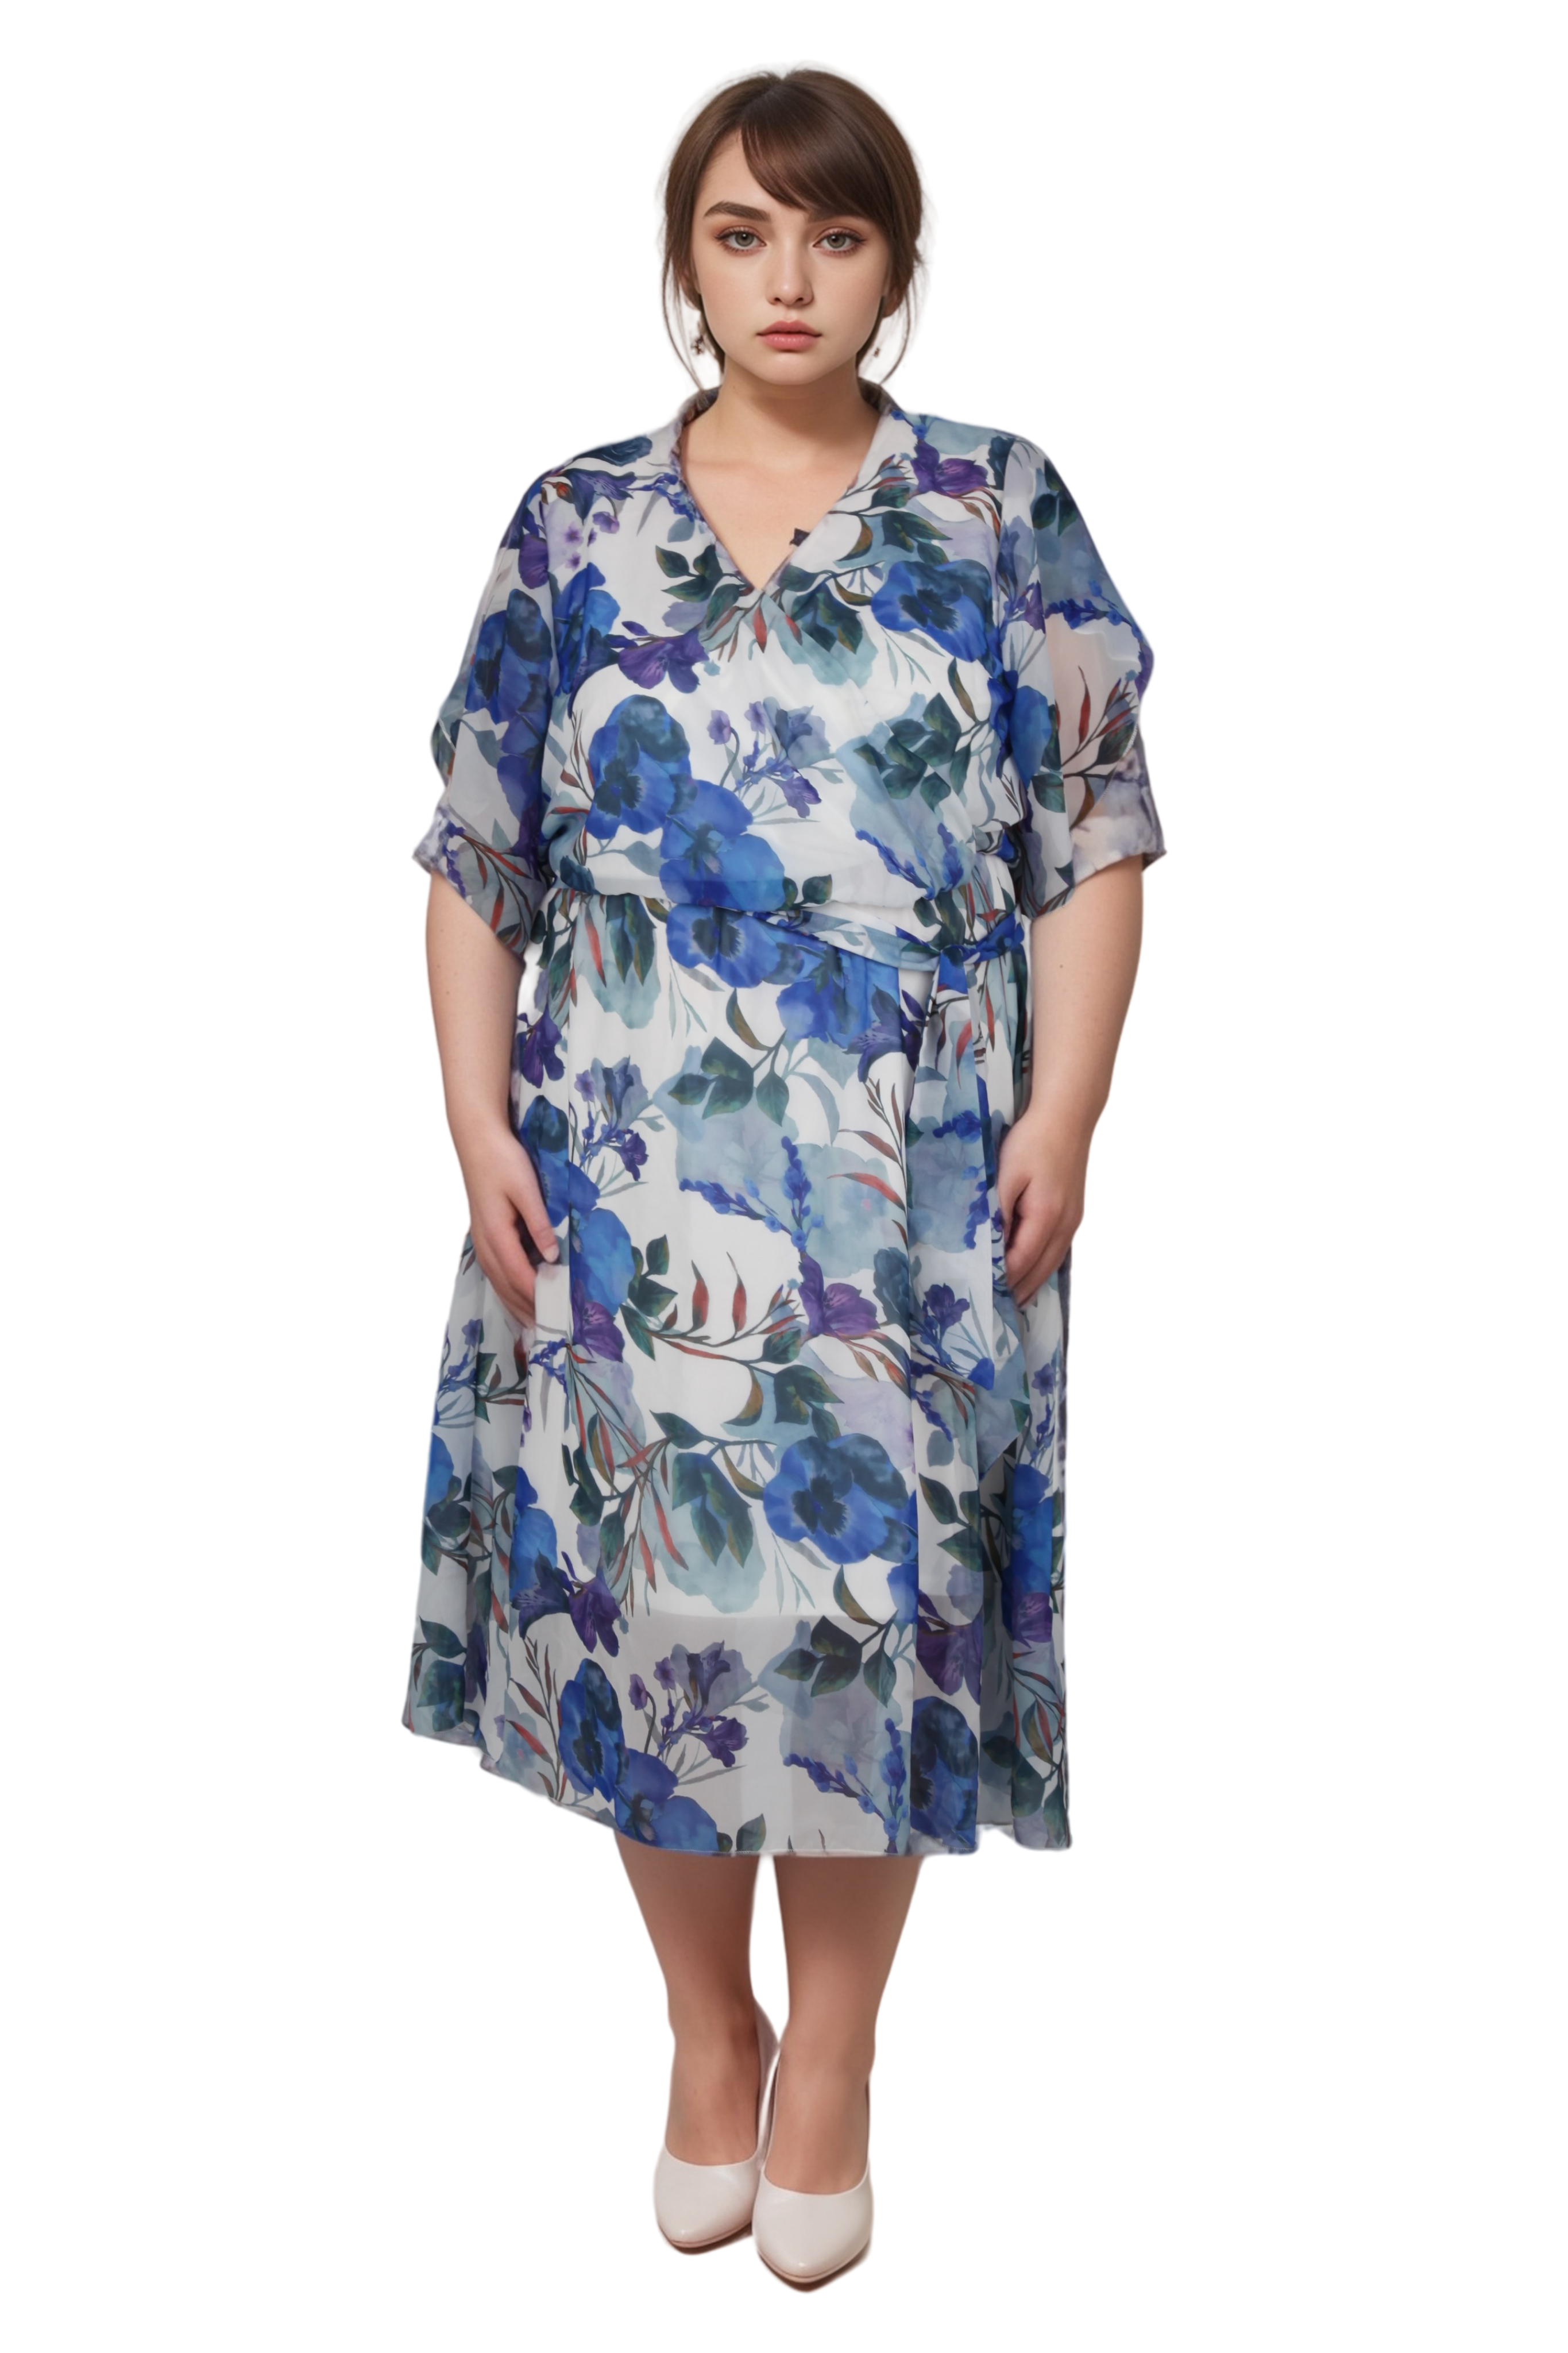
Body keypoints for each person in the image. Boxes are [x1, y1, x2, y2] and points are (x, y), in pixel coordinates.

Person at [402, 59, 1165, 2292]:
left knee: (860, 1622)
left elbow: (1095, 832)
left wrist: (1065, 1111)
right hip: (618, 1156)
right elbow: (476, 852)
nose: (790, 279)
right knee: (647, 1615)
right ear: (681, 262)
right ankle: (702, 2033)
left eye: (837, 234)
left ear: (898, 266)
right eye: (743, 233)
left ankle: (831, 2055)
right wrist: (475, 1120)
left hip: (904, 1171)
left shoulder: (997, 502)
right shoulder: (573, 521)